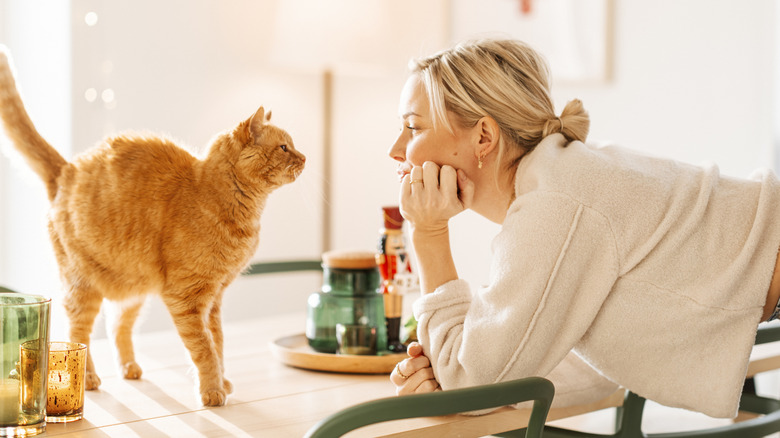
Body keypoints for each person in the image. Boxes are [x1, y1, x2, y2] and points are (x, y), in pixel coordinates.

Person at [386, 38, 780, 419]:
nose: (396, 150)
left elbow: (476, 385)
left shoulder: (555, 204)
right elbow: (580, 372)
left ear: (484, 136)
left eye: (413, 127)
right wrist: (448, 372)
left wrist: (428, 233)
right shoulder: (562, 179)